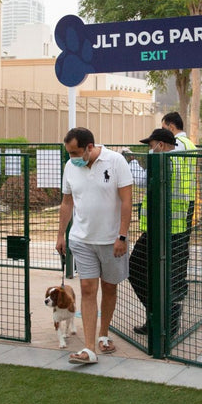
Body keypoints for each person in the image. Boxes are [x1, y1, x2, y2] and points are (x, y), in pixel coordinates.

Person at [56, 127, 133, 364]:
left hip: (112, 241)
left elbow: (127, 200)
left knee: (109, 288)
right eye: (69, 153)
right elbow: (66, 203)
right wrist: (61, 235)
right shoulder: (70, 167)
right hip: (82, 240)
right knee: (88, 290)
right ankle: (89, 349)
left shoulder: (116, 161)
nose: (72, 157)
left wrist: (121, 236)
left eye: (75, 152)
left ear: (90, 147)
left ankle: (103, 335)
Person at [129, 128, 193, 337]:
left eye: (151, 145)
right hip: (170, 228)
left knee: (135, 269)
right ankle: (158, 318)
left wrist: (130, 161)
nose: (150, 149)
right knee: (155, 275)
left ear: (161, 145)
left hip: (161, 228)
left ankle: (164, 315)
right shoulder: (177, 161)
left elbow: (143, 181)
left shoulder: (164, 162)